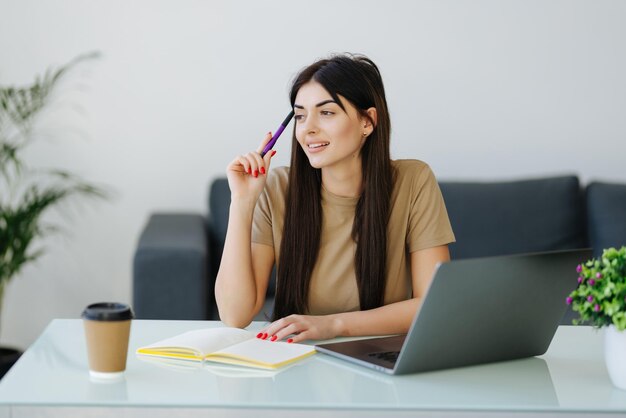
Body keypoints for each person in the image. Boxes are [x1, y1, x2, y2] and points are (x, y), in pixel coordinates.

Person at [215, 53, 455, 343]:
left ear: (368, 121)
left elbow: (433, 306)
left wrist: (335, 325)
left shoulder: (414, 180)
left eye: (326, 112)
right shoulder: (277, 188)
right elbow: (234, 314)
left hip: (380, 356)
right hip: (295, 360)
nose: (308, 129)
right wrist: (241, 202)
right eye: (300, 115)